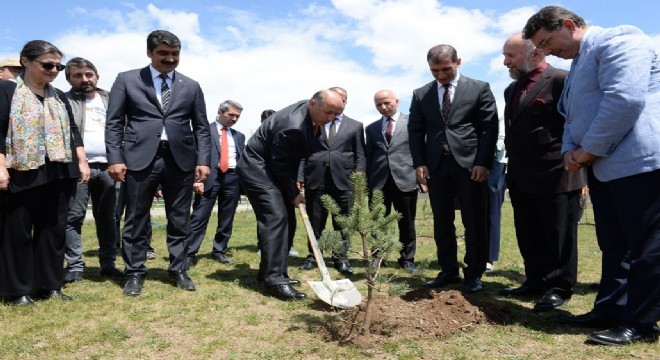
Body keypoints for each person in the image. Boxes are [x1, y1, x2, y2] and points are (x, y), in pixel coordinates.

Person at [523, 6, 660, 345]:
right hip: (603, 167)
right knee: (614, 246)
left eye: (546, 41)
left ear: (569, 25)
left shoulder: (620, 39)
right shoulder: (578, 63)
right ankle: (611, 309)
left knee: (647, 247)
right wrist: (570, 151)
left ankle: (641, 323)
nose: (545, 52)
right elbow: (570, 115)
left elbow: (624, 100)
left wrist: (587, 151)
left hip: (640, 163)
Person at [105, 30, 212, 296]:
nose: (170, 59)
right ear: (149, 52)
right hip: (139, 158)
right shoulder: (127, 79)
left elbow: (201, 127)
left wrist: (203, 160)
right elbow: (114, 122)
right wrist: (115, 158)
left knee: (179, 218)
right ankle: (135, 272)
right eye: (163, 53)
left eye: (175, 54)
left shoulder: (191, 85)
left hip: (180, 160)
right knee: (136, 217)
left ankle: (178, 269)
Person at [499, 32, 585, 312]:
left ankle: (558, 287)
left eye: (510, 55)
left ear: (535, 54)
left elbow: (575, 122)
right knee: (528, 231)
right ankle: (534, 280)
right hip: (521, 174)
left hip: (556, 172)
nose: (504, 62)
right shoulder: (511, 90)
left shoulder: (561, 80)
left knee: (558, 235)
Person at [0, 40, 90, 305]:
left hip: (59, 170)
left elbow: (72, 131)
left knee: (53, 230)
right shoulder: (7, 91)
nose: (53, 70)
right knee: (16, 232)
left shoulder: (58, 95)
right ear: (25, 62)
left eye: (58, 66)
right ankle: (17, 290)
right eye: (47, 65)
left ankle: (49, 286)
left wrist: (82, 161)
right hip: (21, 170)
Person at [408, 44, 498, 294]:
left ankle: (474, 273)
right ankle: (448, 270)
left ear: (458, 62)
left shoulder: (479, 88)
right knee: (442, 221)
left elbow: (489, 128)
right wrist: (419, 163)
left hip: (470, 165)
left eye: (445, 69)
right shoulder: (420, 94)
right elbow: (415, 131)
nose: (440, 75)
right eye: (434, 70)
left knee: (474, 220)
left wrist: (483, 162)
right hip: (437, 167)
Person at [238, 89, 344, 300]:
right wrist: (294, 193)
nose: (331, 119)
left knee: (286, 218)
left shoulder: (310, 111)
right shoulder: (292, 126)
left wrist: (292, 192)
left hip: (272, 167)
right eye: (329, 113)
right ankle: (274, 280)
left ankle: (273, 271)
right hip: (257, 168)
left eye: (336, 114)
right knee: (276, 217)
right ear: (313, 103)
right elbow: (281, 165)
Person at [62, 57, 122, 283]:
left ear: (97, 76)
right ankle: (75, 265)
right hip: (78, 168)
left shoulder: (111, 99)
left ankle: (108, 263)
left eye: (89, 74)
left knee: (107, 217)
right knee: (73, 216)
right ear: (69, 78)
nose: (84, 79)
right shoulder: (63, 100)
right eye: (77, 75)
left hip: (109, 167)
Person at [298, 86, 366, 275]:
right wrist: (300, 176)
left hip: (344, 181)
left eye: (342, 99)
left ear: (345, 102)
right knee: (315, 221)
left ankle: (341, 258)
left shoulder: (355, 125)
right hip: (315, 179)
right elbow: (303, 152)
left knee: (342, 222)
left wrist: (359, 175)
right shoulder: (313, 123)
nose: (339, 102)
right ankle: (313, 256)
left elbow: (360, 154)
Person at [365, 89, 420, 273]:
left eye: (387, 102)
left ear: (397, 101)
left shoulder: (412, 122)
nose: (383, 107)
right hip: (378, 182)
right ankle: (377, 257)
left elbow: (419, 149)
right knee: (378, 222)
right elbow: (369, 156)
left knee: (407, 222)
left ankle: (407, 258)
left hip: (405, 178)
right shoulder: (371, 128)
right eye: (379, 104)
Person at [187, 100, 245, 267]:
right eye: (231, 115)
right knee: (199, 216)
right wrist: (196, 180)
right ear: (220, 112)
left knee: (227, 217)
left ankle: (219, 250)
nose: (234, 119)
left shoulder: (239, 136)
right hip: (208, 178)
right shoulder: (203, 131)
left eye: (237, 116)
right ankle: (190, 252)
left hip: (232, 179)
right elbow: (193, 156)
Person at [258, 108, 299, 257]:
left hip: (285, 182)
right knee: (266, 215)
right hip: (266, 181)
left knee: (289, 214)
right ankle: (263, 246)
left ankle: (289, 244)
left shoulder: (285, 136)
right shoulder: (260, 139)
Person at [486, 118, 506, 272]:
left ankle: (489, 257)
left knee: (492, 212)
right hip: (476, 163)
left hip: (495, 163)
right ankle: (476, 254)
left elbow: (501, 141)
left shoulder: (499, 117)